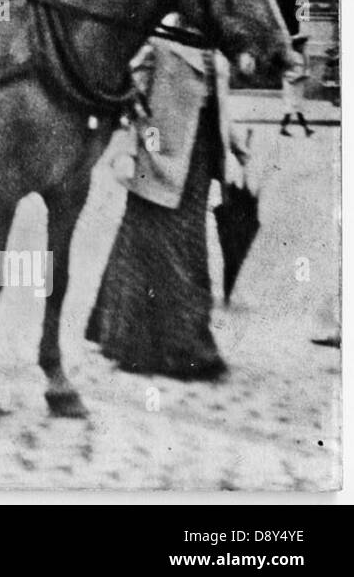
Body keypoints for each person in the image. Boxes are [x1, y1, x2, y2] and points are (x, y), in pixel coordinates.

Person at [86, 30, 249, 380]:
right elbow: (132, 104)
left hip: (200, 162)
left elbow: (220, 110)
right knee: (150, 245)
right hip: (159, 161)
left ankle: (162, 342)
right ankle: (175, 348)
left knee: (187, 248)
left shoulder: (214, 51)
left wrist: (236, 145)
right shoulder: (158, 48)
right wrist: (128, 151)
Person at [280, 33, 314, 137]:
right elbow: (286, 71)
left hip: (298, 85)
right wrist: (297, 78)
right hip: (291, 85)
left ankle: (285, 129)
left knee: (295, 107)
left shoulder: (303, 56)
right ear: (296, 45)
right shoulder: (291, 56)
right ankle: (306, 129)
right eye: (302, 45)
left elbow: (306, 69)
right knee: (293, 107)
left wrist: (303, 76)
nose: (304, 47)